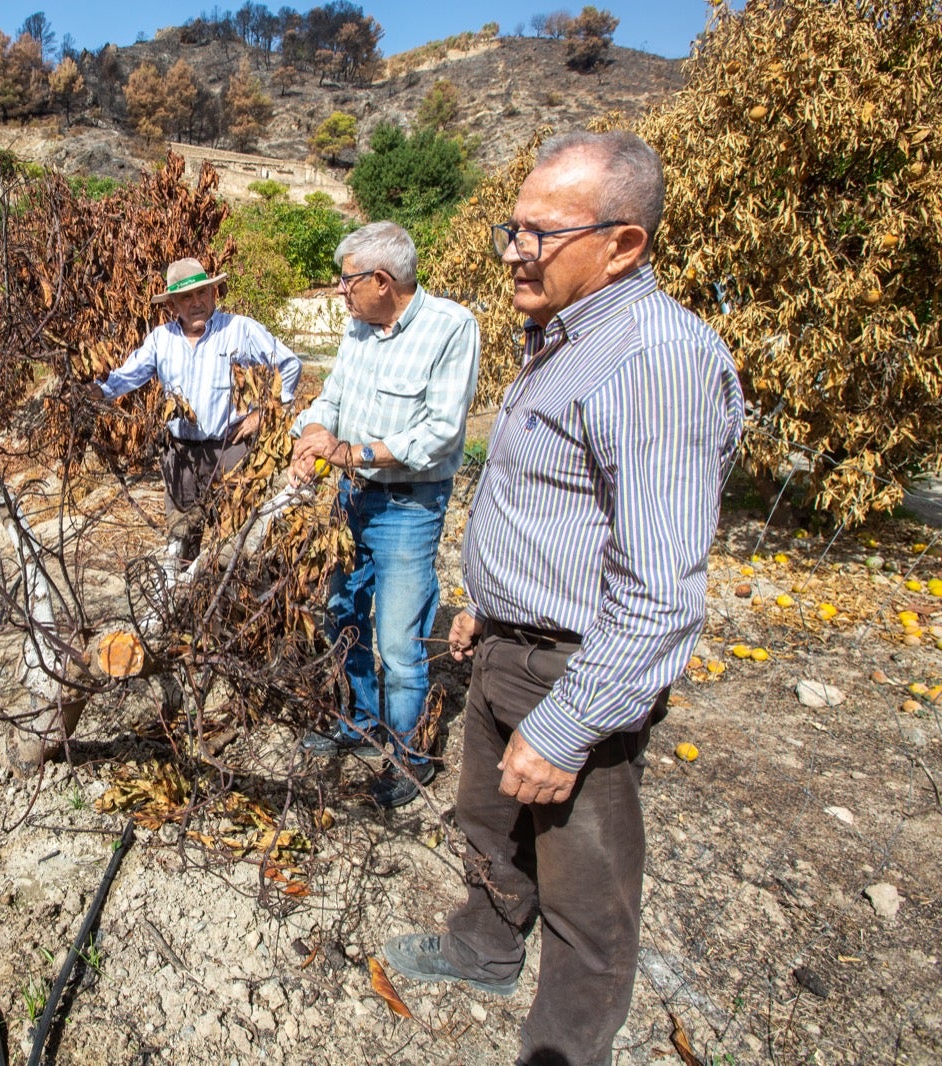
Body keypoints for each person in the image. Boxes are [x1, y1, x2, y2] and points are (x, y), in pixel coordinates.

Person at [381, 131, 744, 1066]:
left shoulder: (654, 360)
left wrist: (570, 721)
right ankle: (484, 947)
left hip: (573, 669)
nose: (511, 251)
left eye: (536, 233)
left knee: (588, 895)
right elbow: (552, 507)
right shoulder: (566, 339)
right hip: (506, 644)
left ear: (623, 243)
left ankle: (566, 1047)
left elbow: (662, 591)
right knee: (488, 824)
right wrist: (485, 604)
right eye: (513, 228)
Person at [287, 221, 480, 809]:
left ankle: (407, 756)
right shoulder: (359, 330)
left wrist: (349, 452)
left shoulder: (451, 328)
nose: (339, 293)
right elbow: (335, 397)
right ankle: (358, 720)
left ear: (381, 280)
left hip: (407, 505)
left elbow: (441, 433)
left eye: (346, 282)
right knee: (340, 613)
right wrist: (316, 428)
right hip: (351, 498)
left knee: (398, 641)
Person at [88, 257, 303, 563]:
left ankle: (223, 605)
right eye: (186, 297)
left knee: (233, 543)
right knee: (180, 543)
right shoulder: (161, 339)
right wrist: (94, 390)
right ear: (173, 305)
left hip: (230, 452)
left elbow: (289, 364)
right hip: (180, 457)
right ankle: (187, 607)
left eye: (202, 293)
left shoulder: (238, 329)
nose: (196, 302)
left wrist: (266, 413)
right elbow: (126, 377)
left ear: (214, 294)